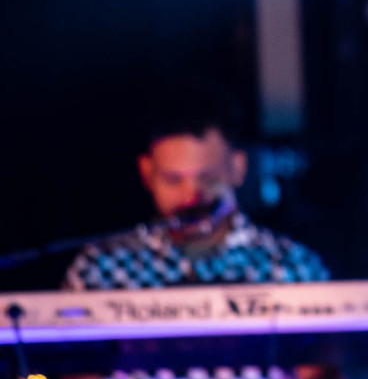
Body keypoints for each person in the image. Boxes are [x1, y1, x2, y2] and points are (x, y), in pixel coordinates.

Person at [64, 79, 329, 290]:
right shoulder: (101, 269)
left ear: (238, 168)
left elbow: (322, 355)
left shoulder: (292, 269)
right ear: (147, 174)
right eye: (173, 179)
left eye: (208, 179)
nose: (192, 196)